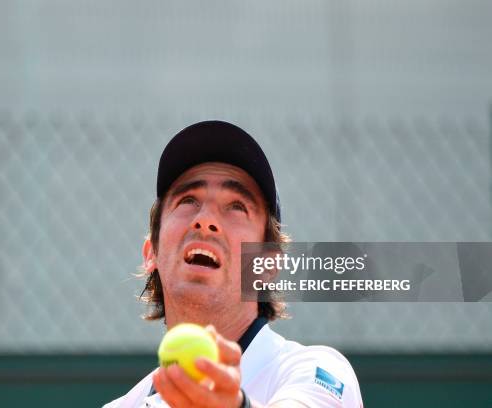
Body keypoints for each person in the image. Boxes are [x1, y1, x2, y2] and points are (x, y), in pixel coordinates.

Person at [104, 121, 363, 407]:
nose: (206, 219)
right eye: (188, 200)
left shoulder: (314, 371)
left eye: (237, 206)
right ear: (151, 252)